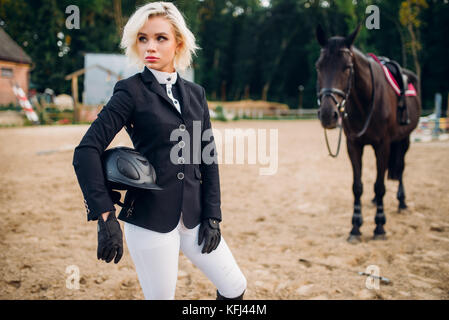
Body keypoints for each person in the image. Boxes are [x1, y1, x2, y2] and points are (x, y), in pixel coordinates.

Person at [72, 1, 247, 300]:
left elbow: (208, 159)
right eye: (143, 38)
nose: (149, 46)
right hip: (150, 220)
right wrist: (105, 217)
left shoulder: (196, 94)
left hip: (195, 217)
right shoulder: (130, 91)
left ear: (178, 42)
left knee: (235, 287)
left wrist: (213, 215)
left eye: (160, 38)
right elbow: (86, 150)